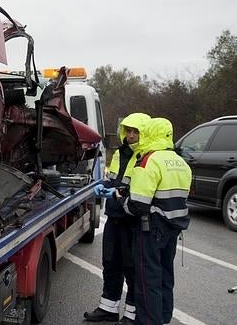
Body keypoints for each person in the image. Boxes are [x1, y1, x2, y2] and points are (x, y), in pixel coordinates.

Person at [117, 117, 192, 325]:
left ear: (149, 133)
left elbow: (137, 205)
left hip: (151, 229)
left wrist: (120, 199)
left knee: (147, 279)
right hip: (174, 228)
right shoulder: (181, 162)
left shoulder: (149, 160)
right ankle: (164, 317)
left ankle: (149, 321)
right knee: (165, 276)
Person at [84, 113, 150, 324]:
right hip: (114, 216)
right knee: (111, 264)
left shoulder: (145, 157)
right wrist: (103, 185)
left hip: (132, 220)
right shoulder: (120, 153)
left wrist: (118, 192)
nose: (130, 135)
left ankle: (131, 314)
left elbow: (141, 191)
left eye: (135, 132)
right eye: (128, 131)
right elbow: (114, 180)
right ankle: (108, 308)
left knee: (132, 269)